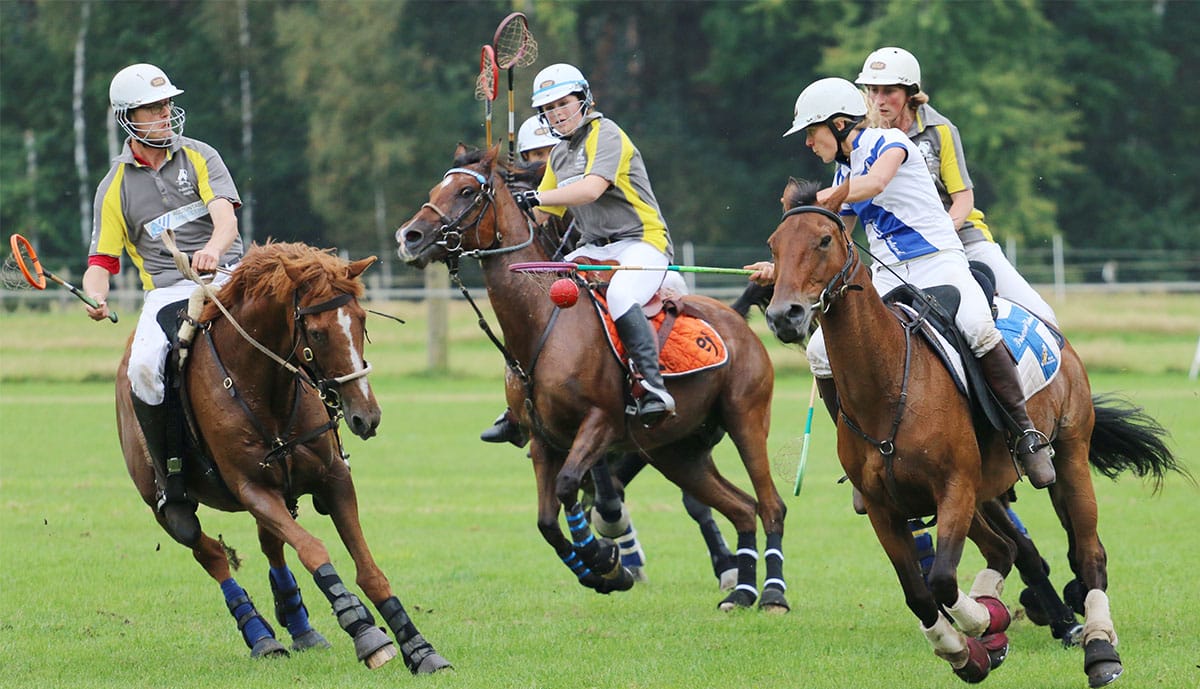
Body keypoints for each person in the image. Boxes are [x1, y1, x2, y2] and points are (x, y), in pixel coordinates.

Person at [747, 77, 1055, 488]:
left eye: (811, 131)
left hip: (939, 263)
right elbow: (833, 235)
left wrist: (811, 199)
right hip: (890, 277)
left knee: (979, 328)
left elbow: (874, 184)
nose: (807, 143)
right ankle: (859, 449)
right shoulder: (844, 171)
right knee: (820, 350)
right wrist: (784, 269)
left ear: (839, 124)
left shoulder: (890, 143)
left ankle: (1026, 436)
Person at [83, 63, 244, 542]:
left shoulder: (200, 155)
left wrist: (214, 249)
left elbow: (226, 219)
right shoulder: (114, 186)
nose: (166, 112)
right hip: (169, 290)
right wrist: (96, 294)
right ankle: (170, 481)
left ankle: (327, 443)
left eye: (167, 103)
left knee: (295, 320)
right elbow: (102, 261)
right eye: (153, 107)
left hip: (231, 272)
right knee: (144, 367)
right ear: (129, 117)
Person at [511, 62, 676, 426]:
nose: (557, 113)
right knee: (539, 291)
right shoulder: (558, 153)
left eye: (563, 103)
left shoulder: (607, 133)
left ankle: (653, 386)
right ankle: (524, 394)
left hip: (642, 242)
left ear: (584, 99)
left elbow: (590, 189)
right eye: (549, 109)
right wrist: (511, 196)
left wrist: (536, 197)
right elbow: (542, 216)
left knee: (620, 296)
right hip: (594, 248)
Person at [856, 47, 1057, 326]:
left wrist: (940, 238)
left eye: (888, 91)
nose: (878, 101)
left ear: (909, 91)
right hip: (898, 253)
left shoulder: (940, 130)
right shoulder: (864, 138)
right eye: (872, 90)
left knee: (1043, 315)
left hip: (962, 239)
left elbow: (963, 198)